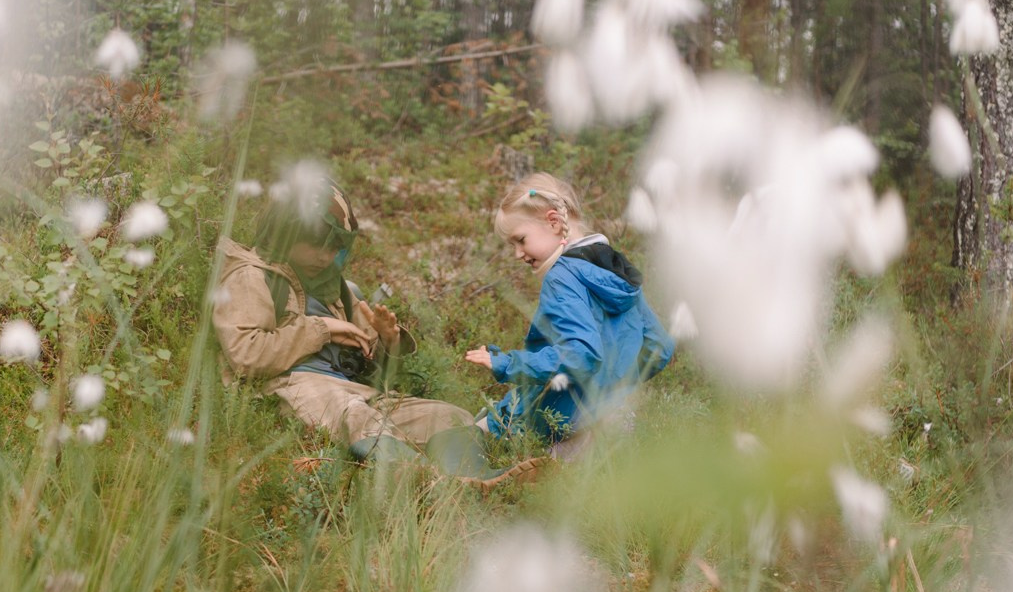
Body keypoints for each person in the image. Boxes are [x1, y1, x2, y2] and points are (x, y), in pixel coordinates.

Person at [214, 176, 485, 471]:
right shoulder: (251, 277)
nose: (326, 256)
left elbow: (373, 363)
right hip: (294, 386)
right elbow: (246, 355)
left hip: (356, 391)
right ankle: (421, 481)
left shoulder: (336, 286)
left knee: (452, 418)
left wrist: (388, 341)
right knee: (356, 416)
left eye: (335, 246)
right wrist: (322, 329)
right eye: (317, 243)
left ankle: (474, 480)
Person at [465, 172, 674, 449]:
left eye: (520, 239)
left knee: (463, 445)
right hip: (618, 418)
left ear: (553, 222)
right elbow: (660, 347)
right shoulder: (610, 267)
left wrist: (507, 364)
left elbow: (580, 355)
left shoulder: (561, 277)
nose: (517, 254)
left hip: (565, 424)